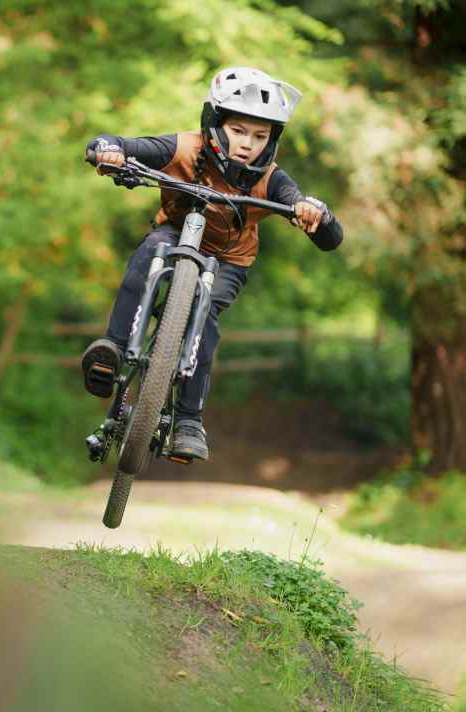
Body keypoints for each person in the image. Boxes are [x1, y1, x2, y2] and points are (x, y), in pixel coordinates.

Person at [80, 66, 343, 462]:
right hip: (173, 235)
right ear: (216, 124)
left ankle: (188, 419)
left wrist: (311, 212)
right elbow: (120, 143)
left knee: (205, 319)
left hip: (228, 260)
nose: (247, 145)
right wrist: (108, 150)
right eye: (238, 131)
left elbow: (318, 222)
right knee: (149, 252)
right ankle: (113, 349)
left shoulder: (271, 179)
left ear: (272, 139)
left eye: (260, 136)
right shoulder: (184, 149)